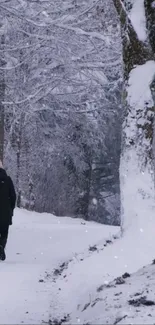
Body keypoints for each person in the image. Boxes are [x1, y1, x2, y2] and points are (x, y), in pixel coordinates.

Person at [0, 161, 16, 260]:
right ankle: (1, 245)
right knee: (4, 232)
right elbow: (13, 196)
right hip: (5, 212)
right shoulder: (8, 180)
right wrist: (11, 209)